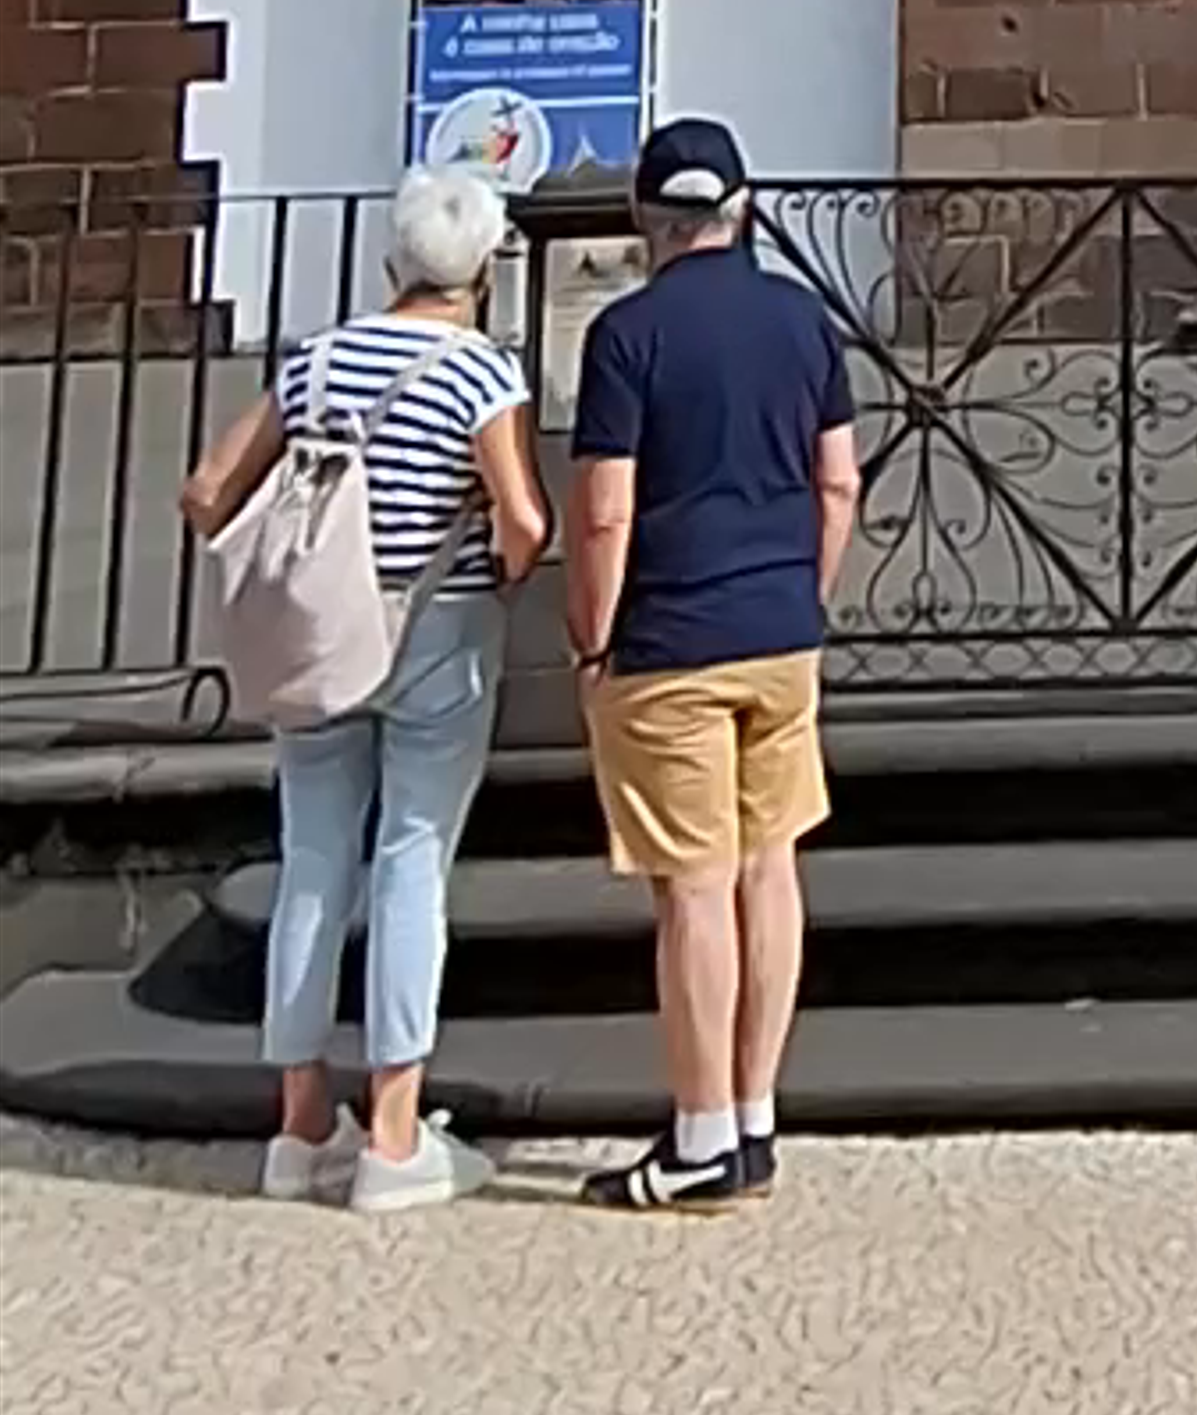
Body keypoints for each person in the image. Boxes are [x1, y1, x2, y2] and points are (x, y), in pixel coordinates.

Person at [182, 171, 551, 1213]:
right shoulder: (480, 371)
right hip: (434, 628)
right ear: (482, 268)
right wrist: (509, 563)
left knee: (311, 860)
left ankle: (298, 1126)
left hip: (318, 637)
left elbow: (210, 491)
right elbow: (521, 518)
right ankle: (395, 1132)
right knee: (411, 859)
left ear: (394, 258)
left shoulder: (318, 358)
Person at [563, 116, 863, 1212]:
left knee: (692, 886)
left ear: (650, 216)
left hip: (673, 638)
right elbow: (839, 482)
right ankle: (754, 1113)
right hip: (781, 629)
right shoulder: (803, 317)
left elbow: (603, 510)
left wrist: (590, 635)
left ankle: (696, 1136)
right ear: (741, 208)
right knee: (769, 865)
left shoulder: (625, 333)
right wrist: (805, 591)